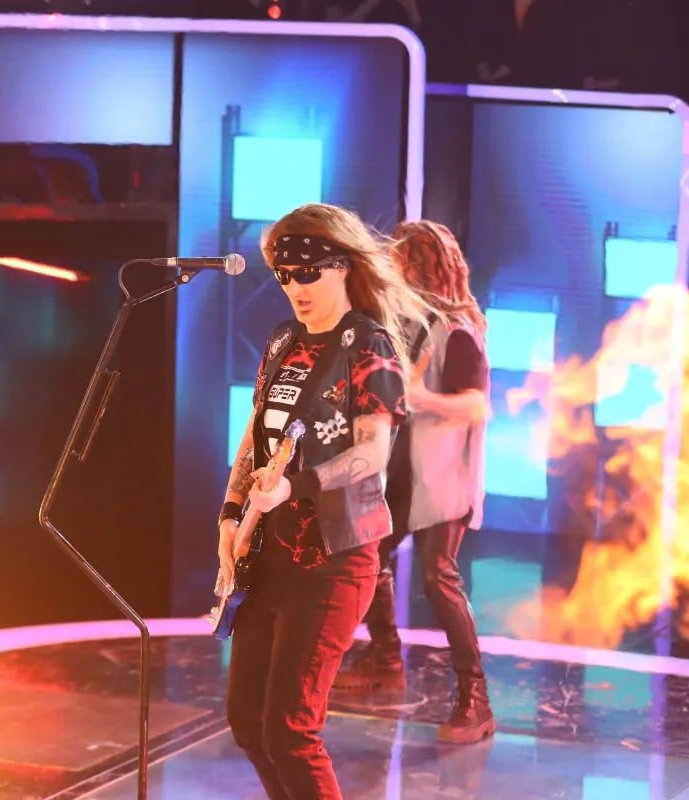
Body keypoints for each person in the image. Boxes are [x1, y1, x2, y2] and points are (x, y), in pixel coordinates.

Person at [217, 203, 429, 798]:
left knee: (290, 730)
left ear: (342, 266)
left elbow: (373, 452)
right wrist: (231, 514)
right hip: (270, 556)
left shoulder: (369, 345)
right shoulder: (283, 340)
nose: (295, 287)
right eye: (284, 275)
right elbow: (255, 434)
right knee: (248, 723)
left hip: (334, 559)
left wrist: (296, 485)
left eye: (308, 272)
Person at [332, 219, 494, 746]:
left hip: (443, 479)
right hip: (403, 474)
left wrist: (419, 397)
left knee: (437, 578)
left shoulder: (457, 330)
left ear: (419, 267)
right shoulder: (409, 325)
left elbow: (476, 404)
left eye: (399, 262)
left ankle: (475, 699)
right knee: (368, 557)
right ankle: (385, 660)